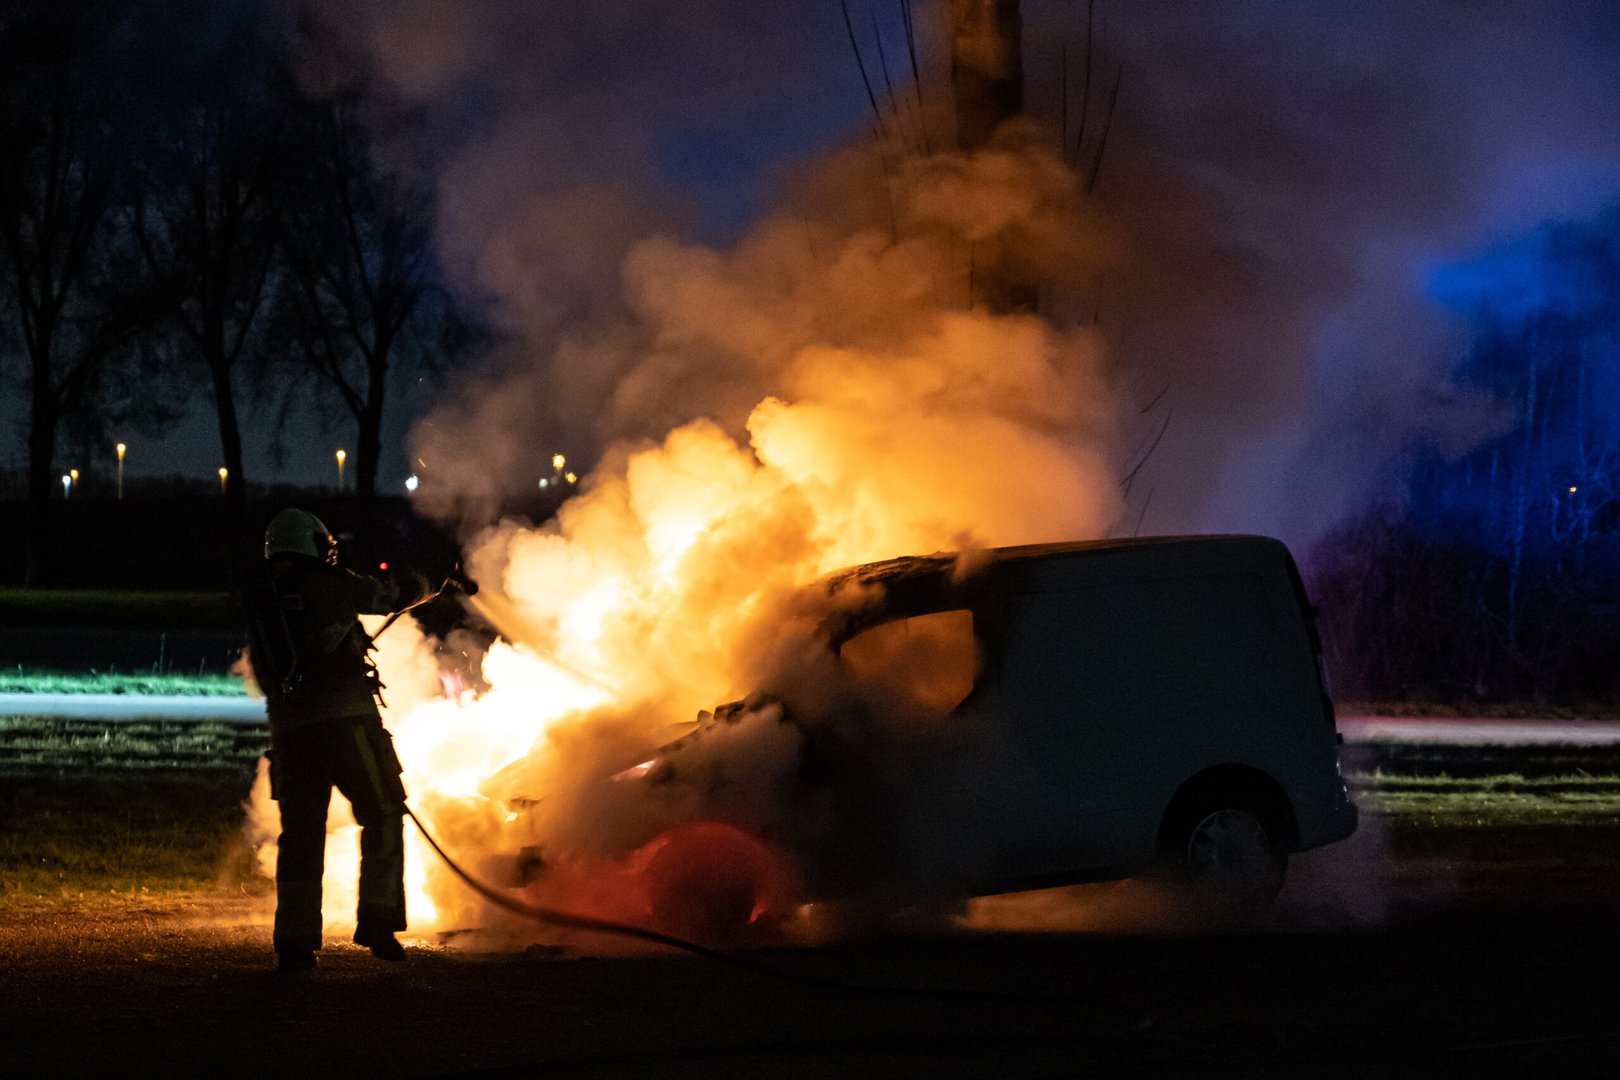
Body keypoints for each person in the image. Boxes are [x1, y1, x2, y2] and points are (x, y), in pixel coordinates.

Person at [243, 508, 444, 973]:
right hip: (348, 726)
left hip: (290, 736)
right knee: (384, 811)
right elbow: (390, 594)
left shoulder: (262, 595)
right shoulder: (324, 581)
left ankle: (294, 941)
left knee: (301, 836)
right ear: (312, 544)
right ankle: (377, 920)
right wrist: (434, 578)